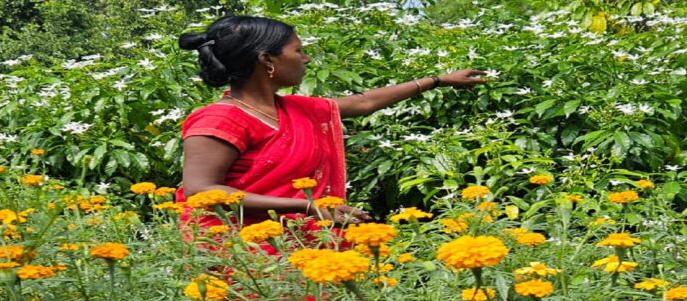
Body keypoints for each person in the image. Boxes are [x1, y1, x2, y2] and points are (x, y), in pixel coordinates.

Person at [175, 15, 486, 228]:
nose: (306, 58)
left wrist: (438, 80)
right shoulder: (220, 119)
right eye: (298, 51)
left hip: (298, 248)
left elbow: (364, 102)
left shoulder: (295, 109)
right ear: (267, 60)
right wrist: (307, 206)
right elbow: (200, 190)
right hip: (241, 256)